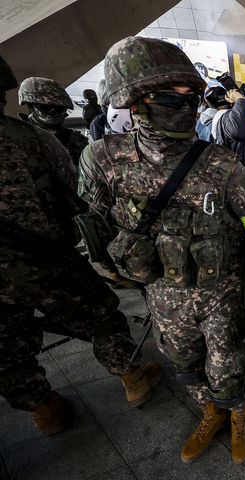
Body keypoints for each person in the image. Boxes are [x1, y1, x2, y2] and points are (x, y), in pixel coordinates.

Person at [77, 36, 245, 464]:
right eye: (170, 97)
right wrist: (110, 267)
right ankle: (211, 410)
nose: (186, 108)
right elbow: (89, 227)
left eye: (194, 98)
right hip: (161, 293)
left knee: (228, 360)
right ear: (134, 101)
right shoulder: (104, 159)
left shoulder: (222, 164)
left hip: (219, 289)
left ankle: (238, 411)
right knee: (182, 360)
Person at [0, 54, 162, 436]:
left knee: (7, 349)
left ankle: (44, 411)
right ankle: (132, 377)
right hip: (47, 260)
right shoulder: (33, 141)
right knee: (101, 317)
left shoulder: (42, 137)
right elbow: (80, 195)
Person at [17, 76, 89, 166]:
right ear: (31, 107)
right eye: (45, 107)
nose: (53, 112)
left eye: (60, 109)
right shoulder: (16, 138)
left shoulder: (76, 141)